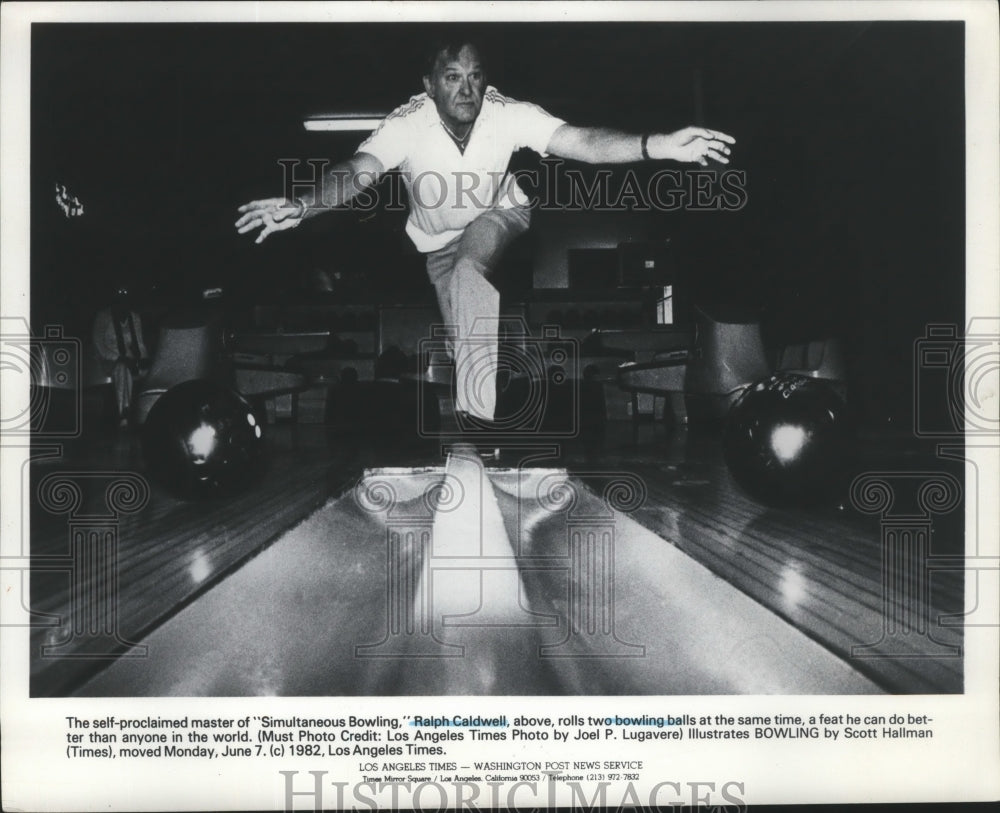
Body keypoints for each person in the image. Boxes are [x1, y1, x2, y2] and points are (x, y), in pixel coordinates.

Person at [235, 39, 734, 425]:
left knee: (472, 271)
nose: (466, 89)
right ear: (429, 84)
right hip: (435, 246)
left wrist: (657, 145)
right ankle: (469, 418)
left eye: (474, 76)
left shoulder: (508, 113)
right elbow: (357, 171)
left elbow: (581, 141)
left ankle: (478, 423)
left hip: (501, 214)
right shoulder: (406, 124)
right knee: (461, 337)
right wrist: (303, 206)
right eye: (452, 77)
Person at [92, 286, 149, 425]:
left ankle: (142, 411)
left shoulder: (134, 317)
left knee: (144, 369)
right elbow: (99, 343)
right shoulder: (103, 316)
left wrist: (143, 358)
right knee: (122, 369)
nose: (123, 303)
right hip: (108, 359)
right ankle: (124, 413)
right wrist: (119, 358)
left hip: (130, 357)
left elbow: (139, 342)